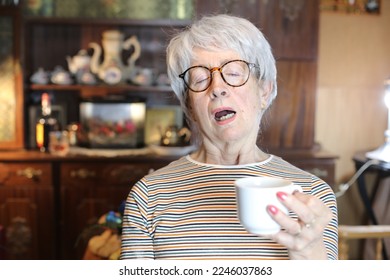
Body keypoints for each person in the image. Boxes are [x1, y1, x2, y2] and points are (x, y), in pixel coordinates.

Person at [120, 14, 338, 260]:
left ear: (264, 91)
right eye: (200, 79)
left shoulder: (311, 196)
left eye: (233, 73)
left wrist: (313, 259)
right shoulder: (149, 196)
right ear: (190, 106)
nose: (217, 88)